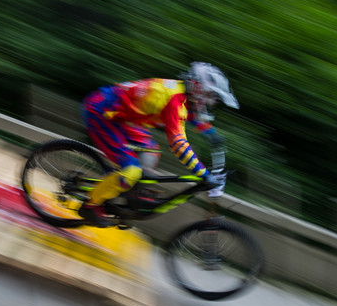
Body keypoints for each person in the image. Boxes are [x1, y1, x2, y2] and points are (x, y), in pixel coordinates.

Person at [78, 62, 238, 227]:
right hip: (101, 113)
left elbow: (192, 116)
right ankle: (90, 205)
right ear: (197, 88)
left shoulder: (184, 93)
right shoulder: (174, 100)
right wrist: (203, 174)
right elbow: (178, 144)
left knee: (151, 151)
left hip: (122, 117)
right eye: (209, 96)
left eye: (212, 98)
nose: (210, 102)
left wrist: (212, 134)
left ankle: (132, 193)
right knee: (131, 171)